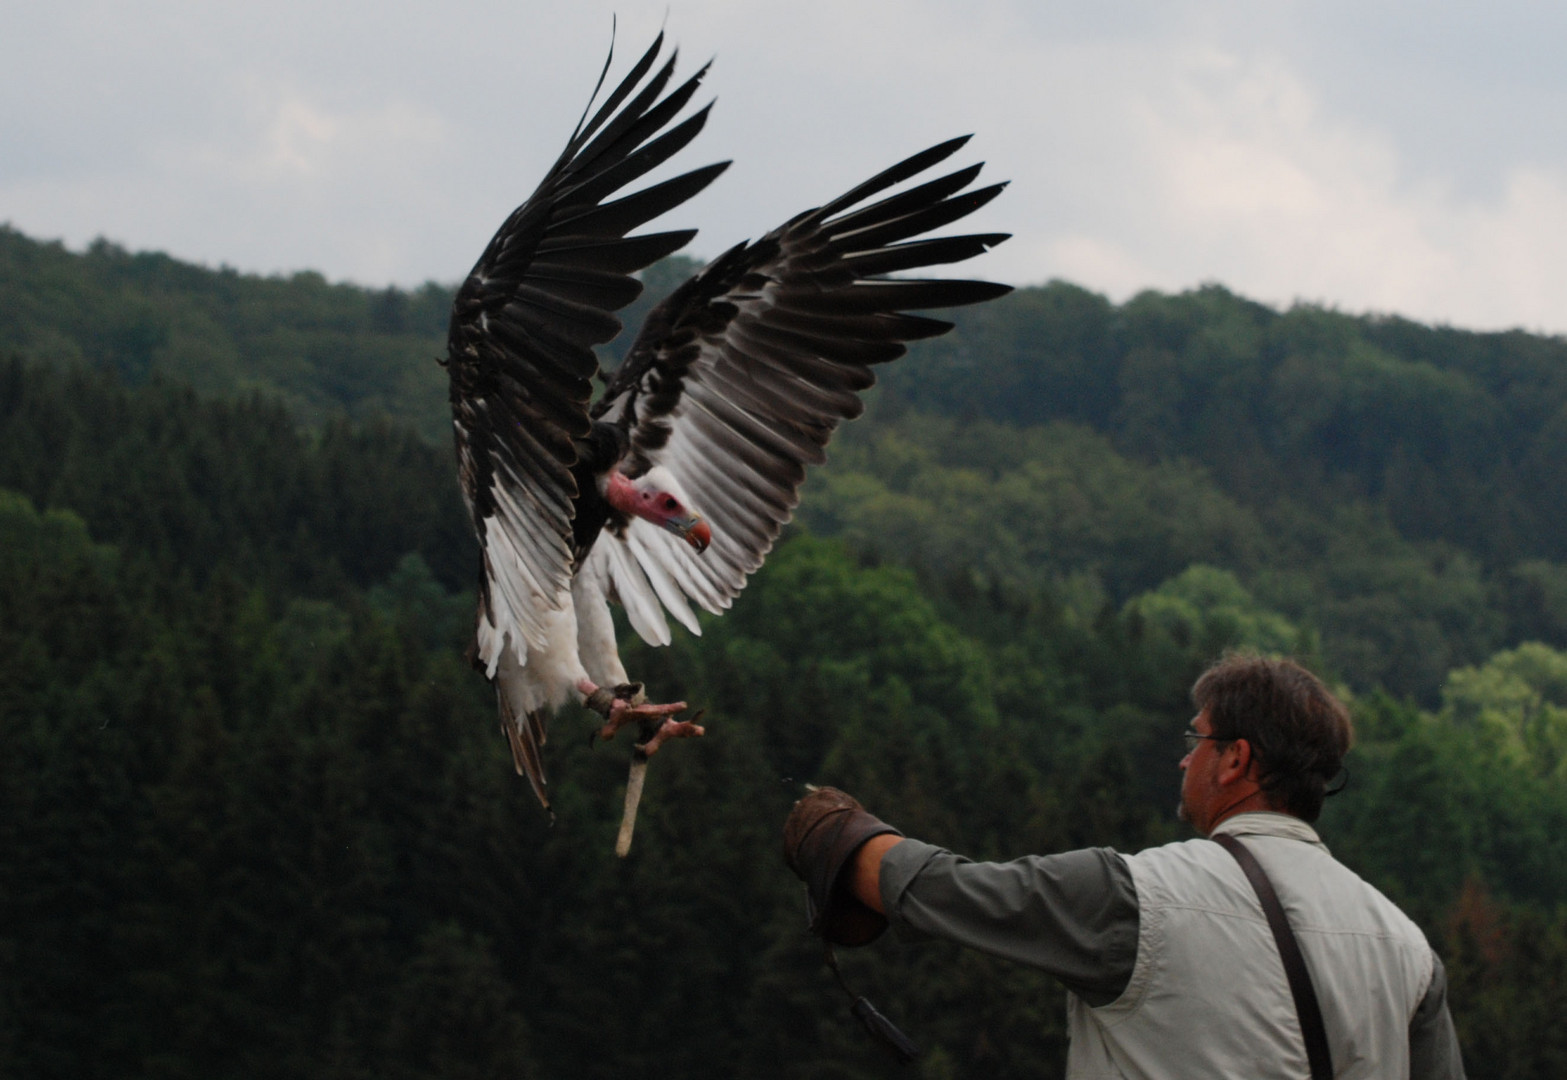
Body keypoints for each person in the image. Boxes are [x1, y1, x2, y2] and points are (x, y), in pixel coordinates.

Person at [783, 654, 1464, 1078]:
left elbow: (948, 893)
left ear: (1236, 761)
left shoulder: (1135, 897)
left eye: (1195, 741)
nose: (1182, 759)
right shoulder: (1408, 949)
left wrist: (836, 834)